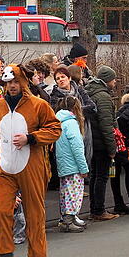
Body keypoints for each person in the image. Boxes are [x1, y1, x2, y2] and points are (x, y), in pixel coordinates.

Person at [0, 64, 61, 257]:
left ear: (23, 83)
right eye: (8, 82)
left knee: (34, 214)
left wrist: (31, 138)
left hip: (32, 167)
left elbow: (54, 129)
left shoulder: (38, 105)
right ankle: (5, 256)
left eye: (16, 82)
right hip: (4, 167)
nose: (12, 86)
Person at [85, 65, 120, 221]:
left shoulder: (90, 92)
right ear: (107, 80)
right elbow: (107, 125)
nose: (115, 82)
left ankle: (95, 208)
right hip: (101, 143)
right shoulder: (103, 97)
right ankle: (99, 210)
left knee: (94, 175)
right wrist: (112, 148)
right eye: (113, 80)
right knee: (102, 176)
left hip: (93, 141)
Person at [52, 95, 88, 233]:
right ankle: (69, 220)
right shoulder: (71, 123)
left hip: (63, 164)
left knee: (65, 194)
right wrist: (83, 168)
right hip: (73, 166)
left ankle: (65, 220)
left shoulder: (59, 121)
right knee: (74, 194)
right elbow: (77, 147)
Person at [51, 64, 96, 165]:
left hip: (85, 132)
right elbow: (57, 116)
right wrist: (78, 113)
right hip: (66, 135)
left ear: (69, 78)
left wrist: (75, 111)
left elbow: (92, 107)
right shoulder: (54, 97)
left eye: (63, 77)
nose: (61, 80)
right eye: (57, 78)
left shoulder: (79, 90)